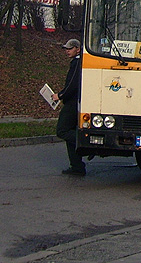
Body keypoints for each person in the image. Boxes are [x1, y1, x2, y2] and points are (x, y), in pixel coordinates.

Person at [52, 38, 85, 176]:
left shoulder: (77, 63)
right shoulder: (77, 62)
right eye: (66, 49)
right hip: (75, 102)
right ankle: (77, 166)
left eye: (69, 48)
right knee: (69, 132)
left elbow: (73, 84)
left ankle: (83, 140)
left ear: (77, 49)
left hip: (72, 102)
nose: (67, 51)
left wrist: (60, 95)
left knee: (62, 130)